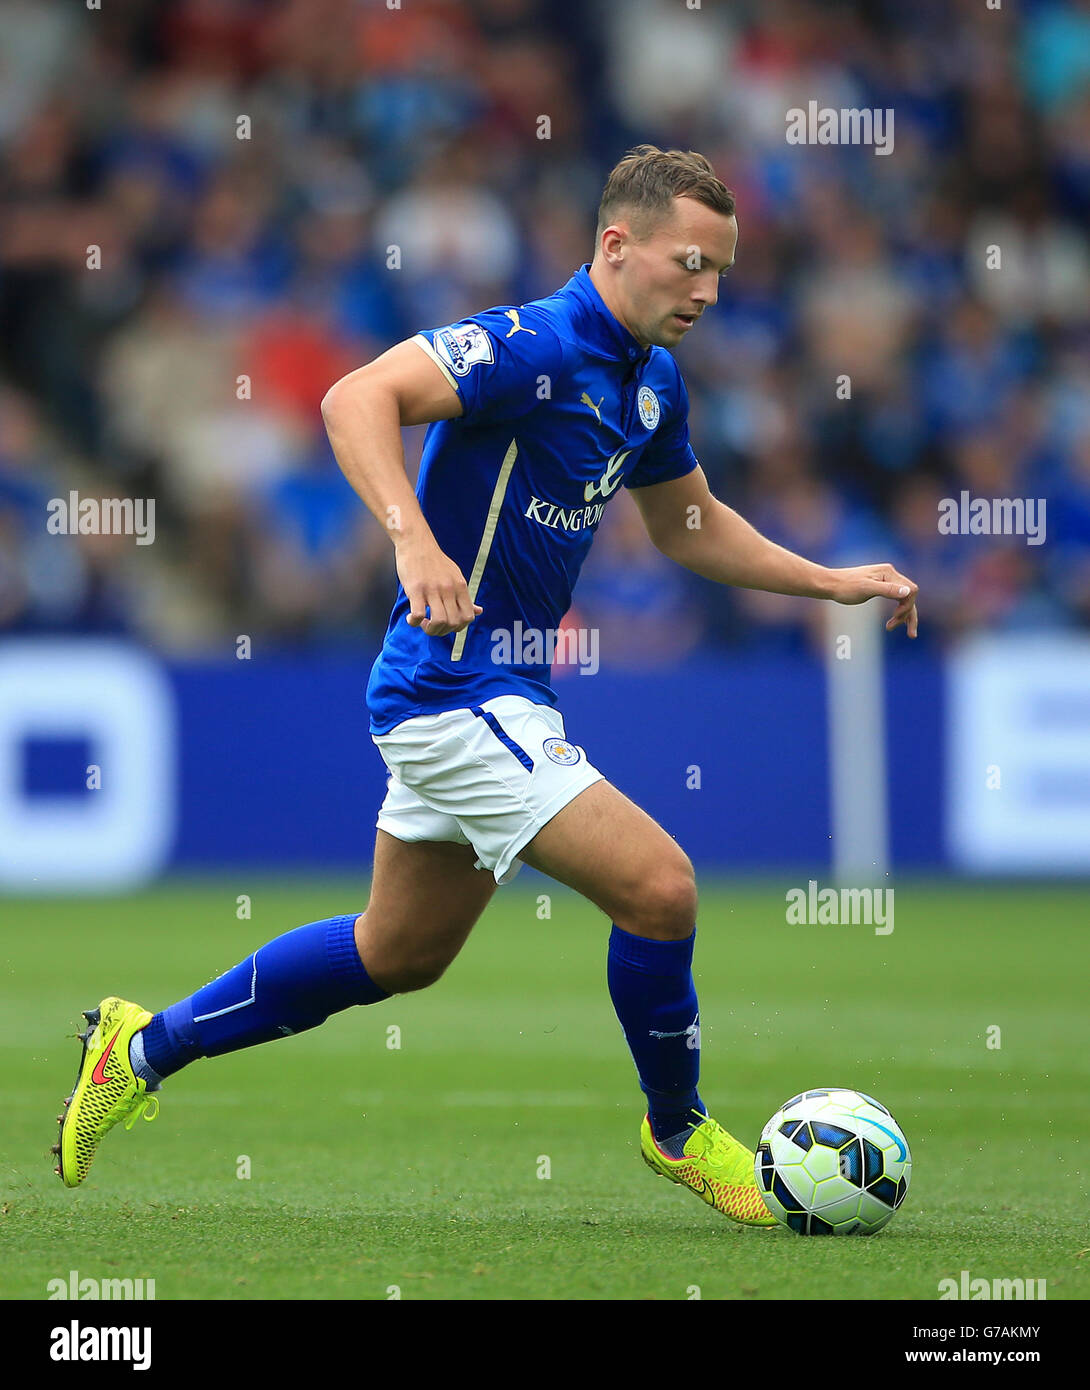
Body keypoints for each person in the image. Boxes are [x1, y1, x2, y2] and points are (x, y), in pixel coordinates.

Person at [55, 146, 918, 1225]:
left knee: (397, 951)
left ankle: (138, 1048)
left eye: (721, 272)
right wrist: (413, 542)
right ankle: (679, 1132)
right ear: (616, 245)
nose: (706, 292)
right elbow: (354, 396)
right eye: (689, 264)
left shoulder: (649, 382)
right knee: (660, 888)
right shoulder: (531, 342)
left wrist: (824, 577)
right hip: (453, 688)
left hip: (501, 689)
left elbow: (687, 524)